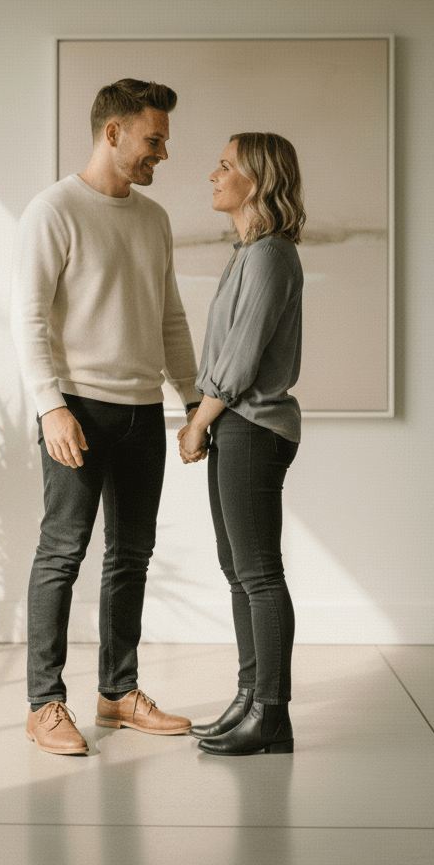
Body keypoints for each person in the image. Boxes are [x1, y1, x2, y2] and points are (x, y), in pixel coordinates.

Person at [11, 78, 201, 755]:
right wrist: (51, 406)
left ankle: (118, 693)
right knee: (62, 553)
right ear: (113, 132)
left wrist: (194, 400)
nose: (163, 153)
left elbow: (170, 318)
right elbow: (27, 318)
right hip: (78, 410)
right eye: (155, 139)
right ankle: (45, 704)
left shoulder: (153, 219)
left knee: (131, 556)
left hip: (142, 413)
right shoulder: (53, 210)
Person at [176, 132, 305, 756]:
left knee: (258, 574)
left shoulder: (270, 255)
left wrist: (200, 420)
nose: (213, 174)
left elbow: (241, 357)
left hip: (250, 426)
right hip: (238, 425)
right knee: (240, 573)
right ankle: (250, 700)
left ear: (256, 179)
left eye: (224, 165)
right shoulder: (248, 252)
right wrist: (207, 418)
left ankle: (271, 716)